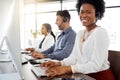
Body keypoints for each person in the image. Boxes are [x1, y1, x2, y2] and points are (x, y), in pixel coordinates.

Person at [40, 0, 115, 80]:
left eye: (88, 12)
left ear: (97, 14)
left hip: (99, 77)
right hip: (83, 76)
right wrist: (59, 63)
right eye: (82, 12)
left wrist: (67, 68)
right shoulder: (80, 33)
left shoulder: (100, 32)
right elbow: (74, 57)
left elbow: (95, 65)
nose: (84, 15)